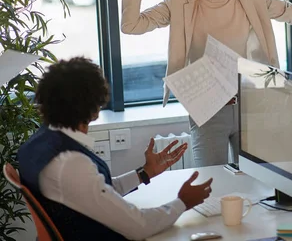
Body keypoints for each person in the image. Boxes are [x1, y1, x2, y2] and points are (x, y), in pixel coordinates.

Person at [121, 0, 292, 167]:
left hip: (252, 105)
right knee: (210, 185)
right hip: (207, 108)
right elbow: (131, 25)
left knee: (257, 186)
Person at [17, 57, 214, 241]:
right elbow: (139, 226)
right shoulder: (69, 163)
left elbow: (98, 193)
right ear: (94, 108)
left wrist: (145, 173)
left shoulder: (38, 143)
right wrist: (183, 203)